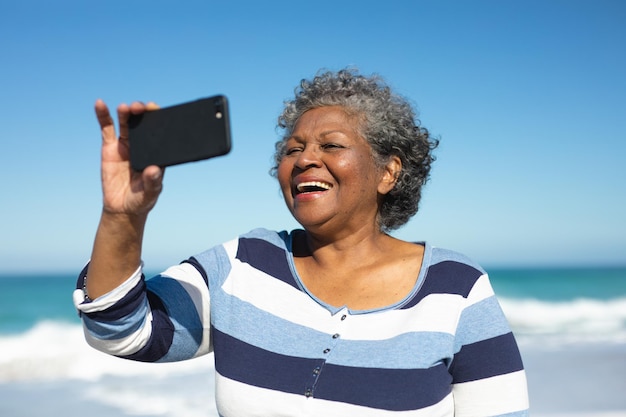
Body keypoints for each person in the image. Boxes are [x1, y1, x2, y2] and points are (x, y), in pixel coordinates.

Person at [73, 68, 529, 416]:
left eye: (330, 146)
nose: (305, 158)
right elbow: (123, 332)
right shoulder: (243, 263)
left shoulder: (456, 288)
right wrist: (121, 216)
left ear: (388, 172)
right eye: (292, 149)